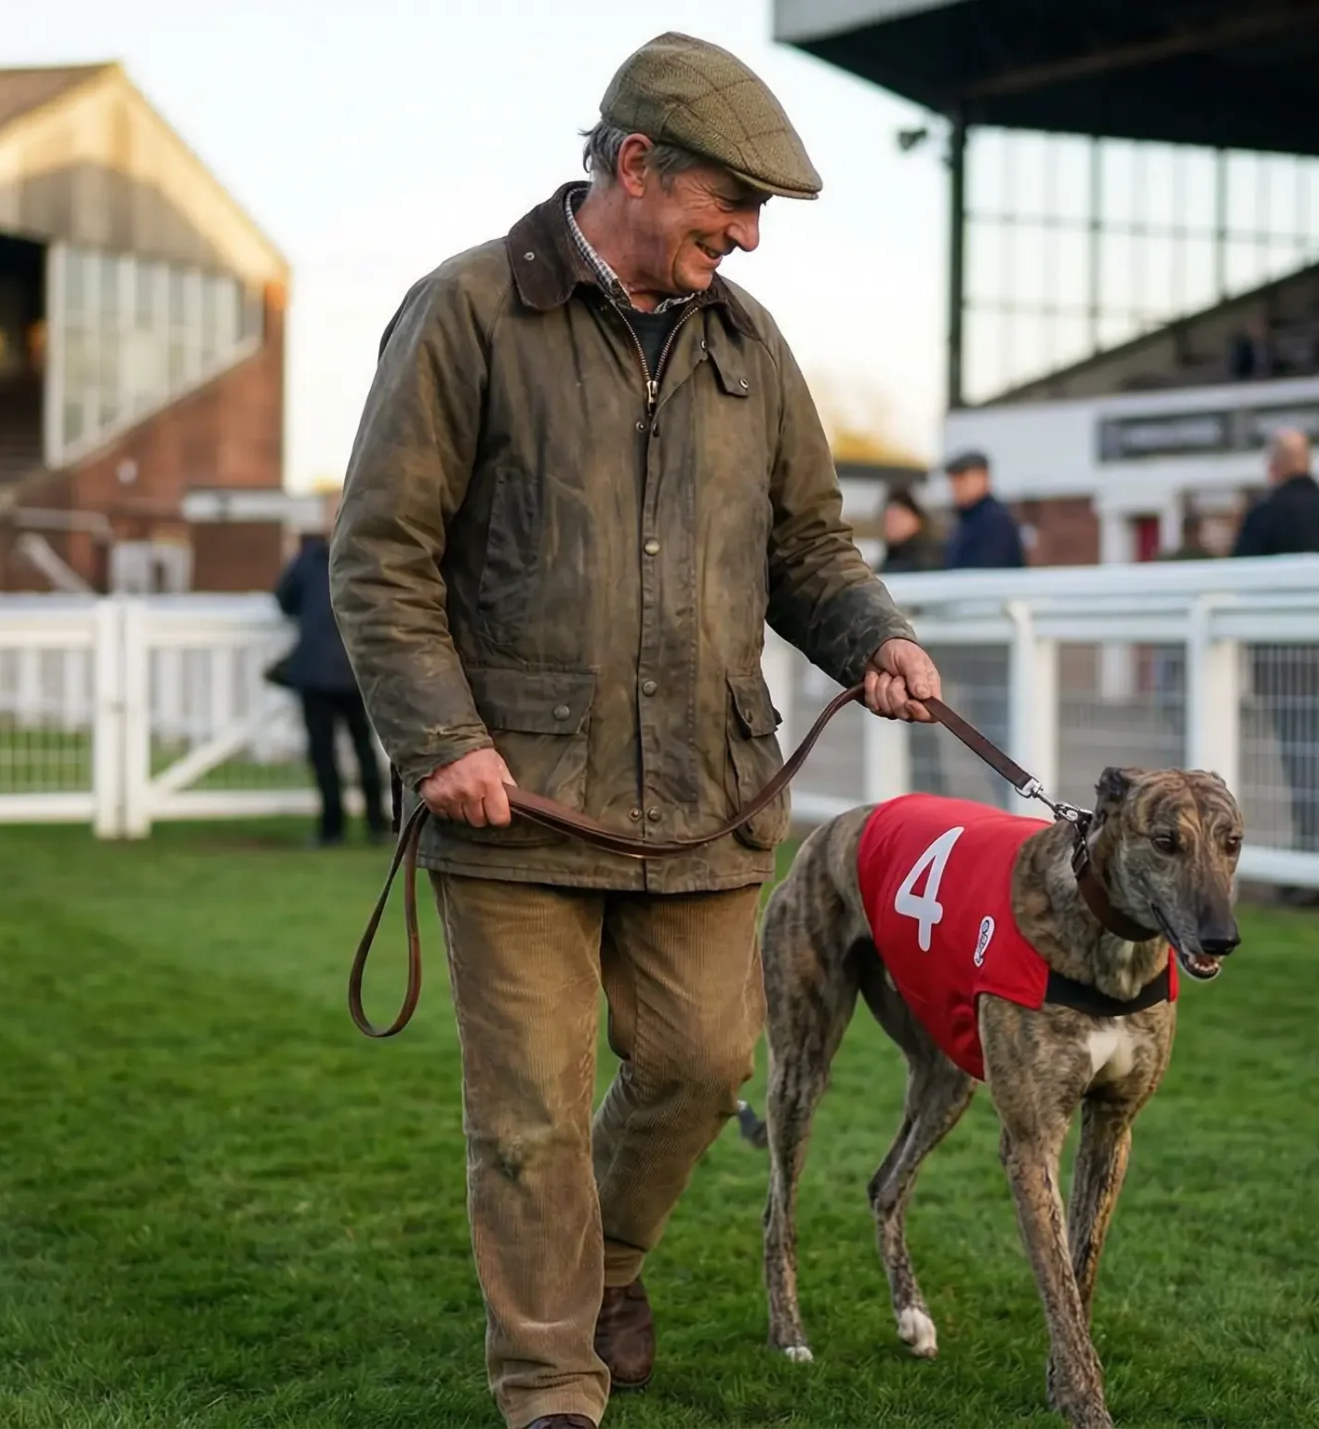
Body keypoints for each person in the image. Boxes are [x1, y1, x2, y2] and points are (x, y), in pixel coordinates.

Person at [325, 33, 942, 1429]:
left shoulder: (747, 344)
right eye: (735, 203)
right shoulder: (466, 312)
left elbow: (809, 545)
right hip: (516, 802)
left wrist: (876, 636)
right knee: (533, 1113)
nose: (751, 238)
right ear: (636, 163)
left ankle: (602, 1267)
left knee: (702, 1068)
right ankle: (551, 1378)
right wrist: (441, 743)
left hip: (706, 800)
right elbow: (381, 558)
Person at [1231, 428, 1319, 905]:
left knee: (1304, 754)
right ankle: (1313, 857)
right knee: (1313, 752)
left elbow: (1238, 578)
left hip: (1288, 653)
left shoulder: (1267, 514)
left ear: (1273, 467)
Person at [275, 491, 389, 846]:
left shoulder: (312, 560)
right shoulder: (371, 558)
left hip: (333, 672)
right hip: (352, 672)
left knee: (337, 754)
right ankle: (371, 826)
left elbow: (284, 600)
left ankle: (337, 829)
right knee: (356, 752)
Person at [938, 449, 1024, 806]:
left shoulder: (993, 522)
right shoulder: (970, 522)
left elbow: (976, 584)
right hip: (979, 652)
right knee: (989, 735)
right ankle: (1008, 804)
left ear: (983, 477)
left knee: (999, 734)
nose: (956, 487)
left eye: (962, 478)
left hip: (992, 651)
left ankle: (1016, 805)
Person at [876, 485, 947, 795]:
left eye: (897, 517)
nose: (890, 524)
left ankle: (930, 793)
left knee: (922, 738)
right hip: (898, 661)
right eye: (887, 517)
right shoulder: (893, 559)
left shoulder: (924, 558)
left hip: (921, 659)